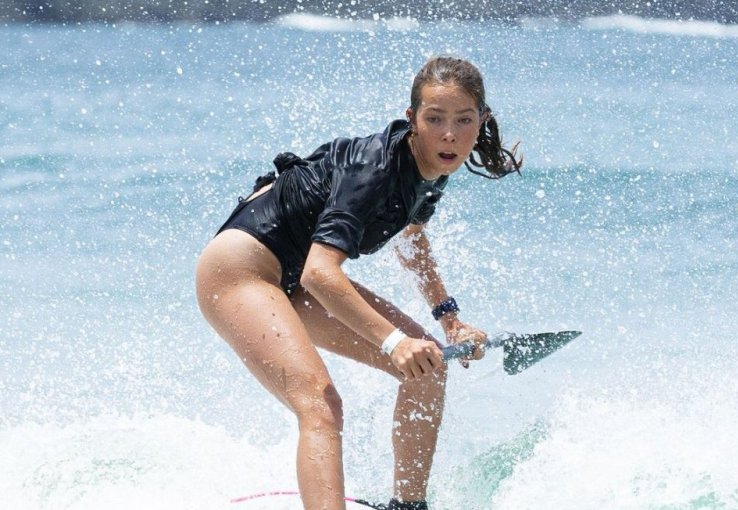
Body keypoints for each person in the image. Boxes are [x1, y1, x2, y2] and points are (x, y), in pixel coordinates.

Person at [195, 56, 521, 510]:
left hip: (293, 279)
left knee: (427, 366)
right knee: (321, 405)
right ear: (413, 120)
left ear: (482, 121)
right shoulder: (375, 169)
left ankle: (407, 505)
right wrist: (392, 343)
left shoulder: (432, 169)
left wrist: (449, 321)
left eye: (464, 121)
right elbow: (320, 272)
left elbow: (411, 239)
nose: (449, 134)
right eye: (435, 119)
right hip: (239, 272)